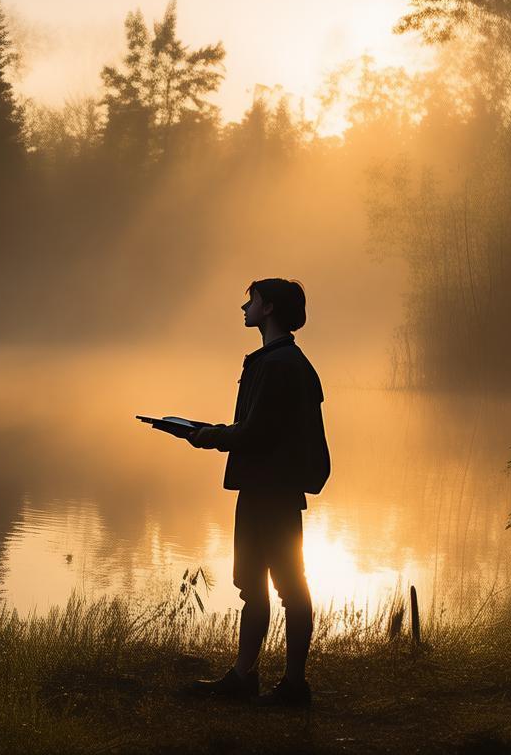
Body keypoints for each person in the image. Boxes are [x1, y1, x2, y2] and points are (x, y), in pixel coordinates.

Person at [184, 278, 327, 707]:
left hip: (273, 491)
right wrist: (212, 433)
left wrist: (208, 436)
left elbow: (259, 431)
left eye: (252, 300)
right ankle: (245, 676)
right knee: (253, 588)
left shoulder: (281, 364)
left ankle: (294, 687)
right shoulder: (277, 360)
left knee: (289, 587)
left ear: (268, 309)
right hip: (261, 488)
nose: (244, 306)